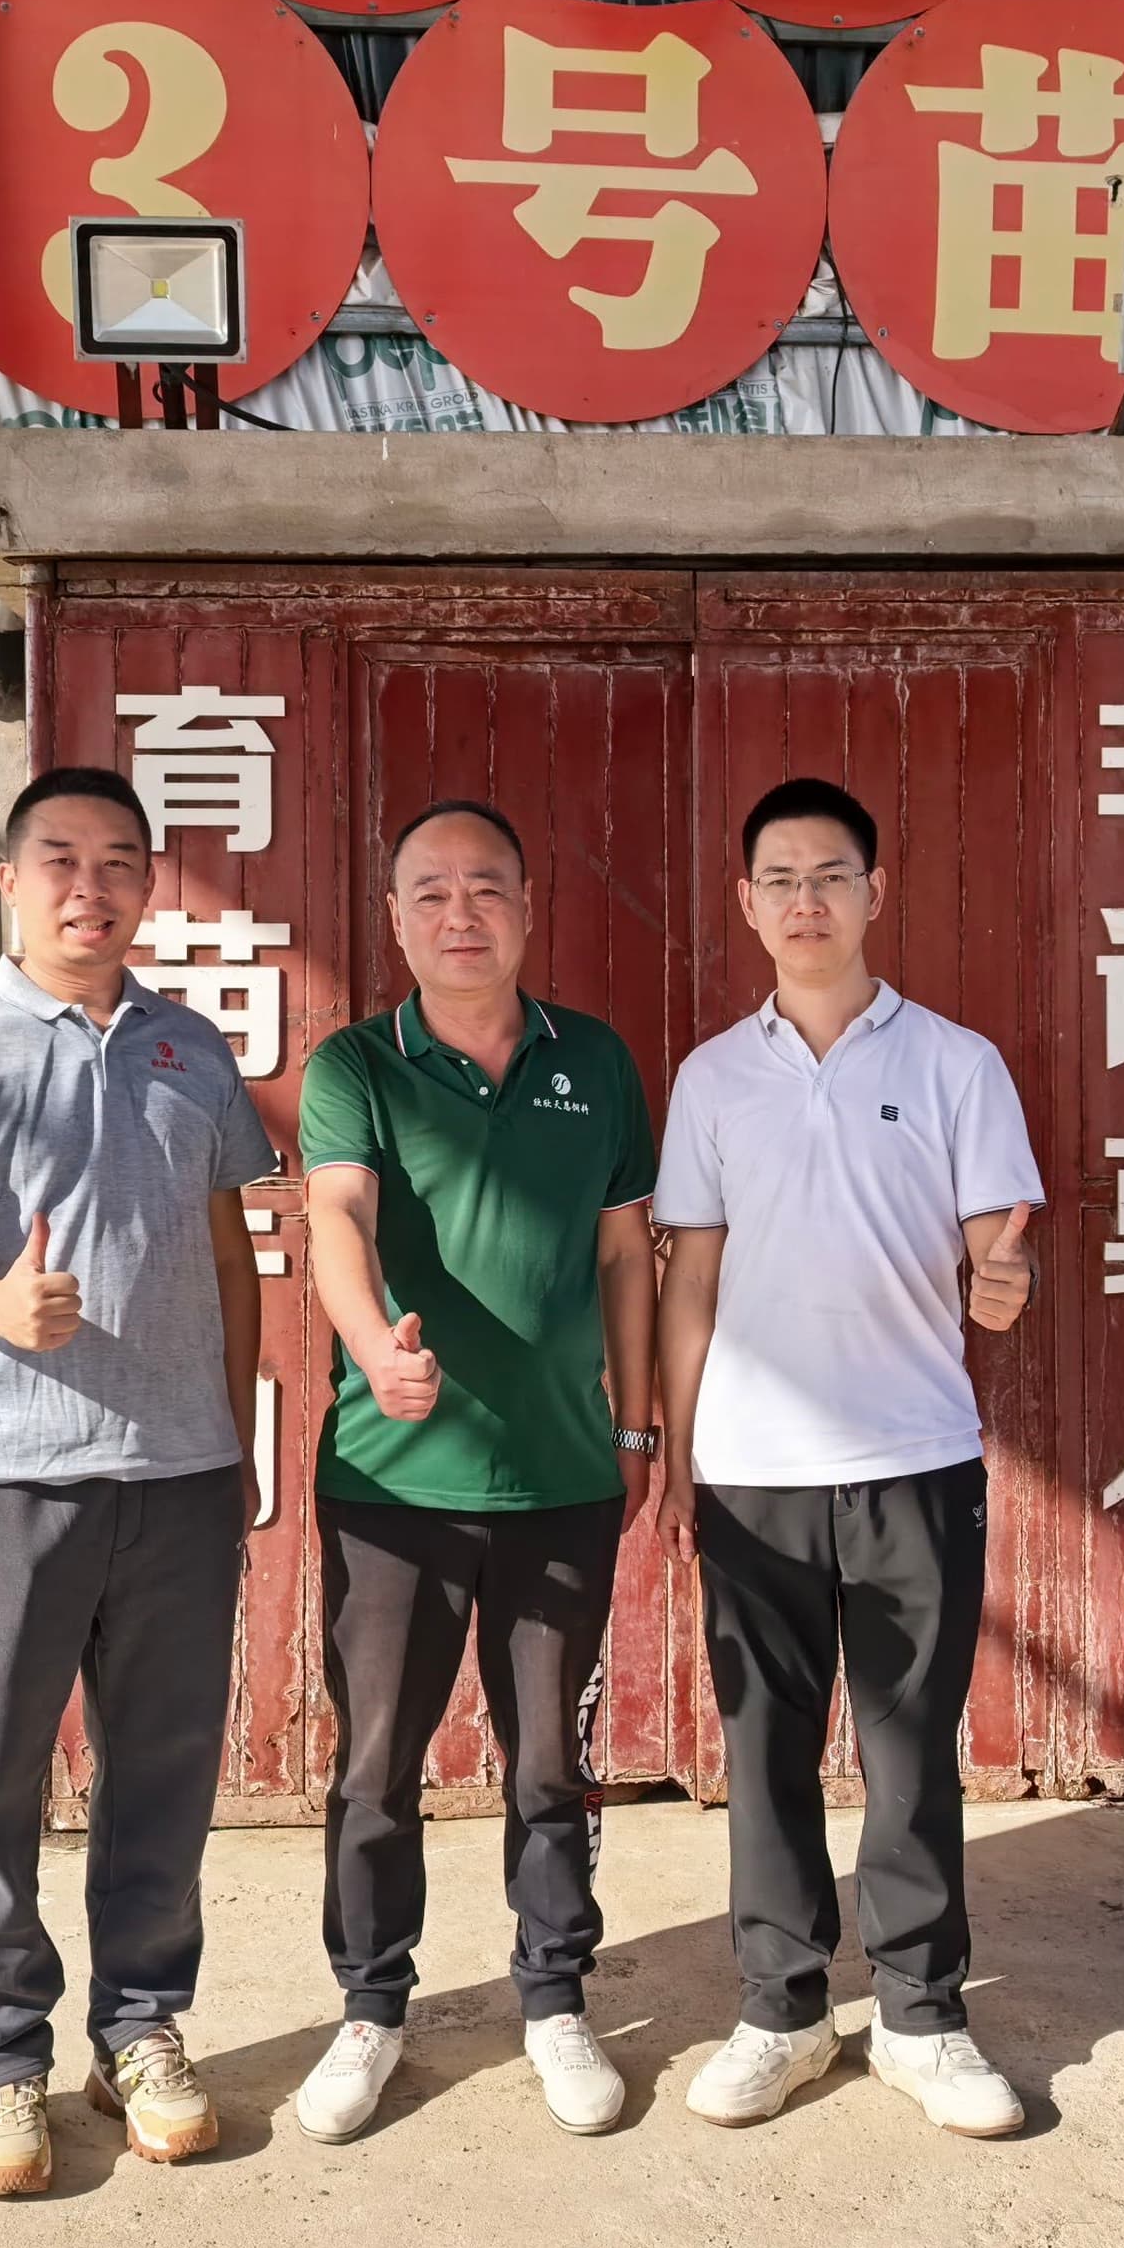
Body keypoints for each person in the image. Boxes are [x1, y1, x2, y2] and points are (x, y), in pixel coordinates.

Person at [0, 765, 274, 2201]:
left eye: (118, 863)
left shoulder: (189, 1051)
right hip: (3, 1472)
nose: (88, 887)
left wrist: (241, 1438)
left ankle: (143, 2031)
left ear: (150, 885)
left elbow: (231, 1258)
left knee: (162, 1774)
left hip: (179, 1476)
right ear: (11, 882)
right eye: (59, 860)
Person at [653, 776, 1042, 2141]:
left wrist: (1003, 1281)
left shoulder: (953, 1063)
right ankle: (782, 2009)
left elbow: (1003, 1238)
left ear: (876, 895)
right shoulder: (713, 1075)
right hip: (752, 1467)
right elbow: (690, 1271)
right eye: (780, 877)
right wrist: (674, 1443)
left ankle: (927, 2016)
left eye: (831, 874)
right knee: (763, 1745)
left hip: (914, 1455)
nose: (805, 899)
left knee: (911, 1745)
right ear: (747, 904)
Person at [284, 801, 661, 2146]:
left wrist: (640, 1418)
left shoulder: (599, 1064)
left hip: (564, 1477)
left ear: (526, 906)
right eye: (430, 891)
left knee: (550, 1761)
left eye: (485, 887)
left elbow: (627, 1254)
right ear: (395, 919)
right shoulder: (358, 1067)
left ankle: (554, 1998)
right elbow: (333, 1212)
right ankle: (371, 2010)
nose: (460, 912)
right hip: (392, 1481)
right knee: (378, 1767)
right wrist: (368, 1347)